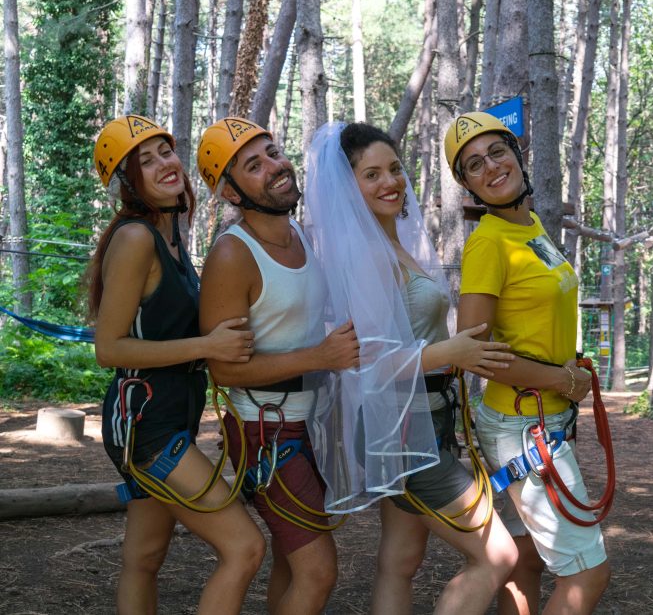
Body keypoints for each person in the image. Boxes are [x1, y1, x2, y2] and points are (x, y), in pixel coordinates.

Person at [303, 121, 519, 615]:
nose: (391, 183)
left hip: (417, 421)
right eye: (372, 175)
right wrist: (453, 354)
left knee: (401, 559)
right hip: (399, 427)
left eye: (395, 169)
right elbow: (367, 366)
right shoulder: (366, 258)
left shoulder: (393, 245)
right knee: (498, 555)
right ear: (347, 189)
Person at [89, 115, 264, 614]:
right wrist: (206, 346)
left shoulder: (170, 237)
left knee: (144, 556)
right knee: (244, 547)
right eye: (145, 160)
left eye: (166, 151)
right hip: (147, 423)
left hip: (163, 417)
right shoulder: (136, 239)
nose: (165, 163)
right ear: (128, 182)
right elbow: (111, 349)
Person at [445, 111, 610, 614]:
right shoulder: (489, 243)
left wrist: (566, 367)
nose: (491, 167)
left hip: (536, 414)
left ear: (517, 155)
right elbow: (475, 354)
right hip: (522, 425)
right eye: (474, 165)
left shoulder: (531, 226)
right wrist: (561, 377)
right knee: (587, 572)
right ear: (467, 184)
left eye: (497, 152)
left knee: (524, 562)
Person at [196, 117, 360, 615]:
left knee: (292, 566)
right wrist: (320, 358)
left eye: (273, 152)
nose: (275, 166)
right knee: (319, 570)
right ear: (229, 193)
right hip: (266, 433)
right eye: (254, 164)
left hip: (309, 424)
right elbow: (223, 371)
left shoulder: (301, 236)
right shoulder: (232, 254)